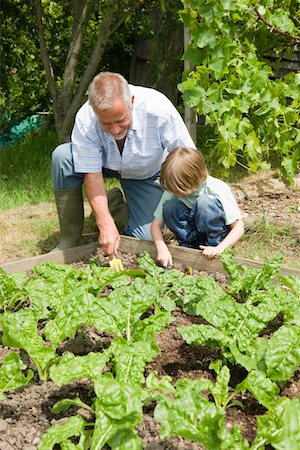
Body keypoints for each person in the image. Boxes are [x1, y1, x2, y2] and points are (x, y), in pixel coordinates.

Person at [51, 72, 195, 256]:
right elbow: (91, 173)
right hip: (104, 165)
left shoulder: (159, 109)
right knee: (63, 156)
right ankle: (69, 239)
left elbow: (188, 158)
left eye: (120, 120)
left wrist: (203, 202)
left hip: (146, 173)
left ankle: (112, 205)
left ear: (132, 102)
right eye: (106, 123)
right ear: (95, 111)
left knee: (149, 237)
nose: (115, 130)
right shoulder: (86, 118)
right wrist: (104, 224)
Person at [150, 147, 244, 267]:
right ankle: (188, 246)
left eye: (180, 190)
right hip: (192, 233)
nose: (176, 193)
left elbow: (239, 227)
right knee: (169, 207)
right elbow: (155, 225)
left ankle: (213, 245)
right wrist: (161, 247)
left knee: (204, 203)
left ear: (195, 179)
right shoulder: (172, 190)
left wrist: (220, 248)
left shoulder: (217, 188)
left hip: (213, 235)